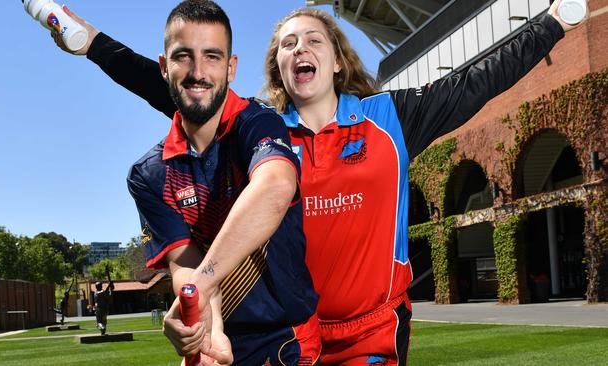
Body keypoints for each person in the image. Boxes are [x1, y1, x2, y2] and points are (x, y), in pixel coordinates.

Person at [49, 0, 582, 364]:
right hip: (291, 336)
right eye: (285, 44)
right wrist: (91, 44)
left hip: (371, 330)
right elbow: (171, 84)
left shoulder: (390, 118)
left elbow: (479, 80)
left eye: (311, 38)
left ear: (335, 56)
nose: (298, 48)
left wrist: (555, 21)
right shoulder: (259, 129)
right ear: (276, 66)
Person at [103, 1, 319, 364]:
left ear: (231, 68)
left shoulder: (258, 123)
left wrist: (197, 287)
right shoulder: (148, 174)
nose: (198, 71)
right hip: (214, 345)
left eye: (213, 56)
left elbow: (275, 187)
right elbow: (184, 261)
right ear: (163, 67)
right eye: (183, 56)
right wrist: (206, 325)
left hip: (288, 340)